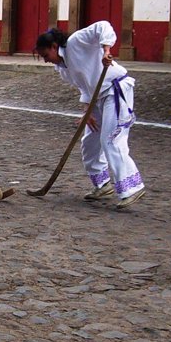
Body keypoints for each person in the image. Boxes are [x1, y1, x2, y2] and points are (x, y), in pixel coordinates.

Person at [35, 21, 145, 209]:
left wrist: (106, 50)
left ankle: (132, 187)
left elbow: (104, 26)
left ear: (54, 47)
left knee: (111, 140)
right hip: (97, 98)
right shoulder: (62, 69)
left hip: (115, 90)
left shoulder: (76, 42)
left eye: (46, 55)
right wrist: (87, 112)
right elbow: (85, 87)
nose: (46, 60)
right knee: (89, 142)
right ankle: (102, 185)